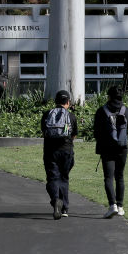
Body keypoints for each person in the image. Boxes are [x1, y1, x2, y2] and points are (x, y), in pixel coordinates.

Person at [93, 86, 128, 219]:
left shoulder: (101, 111)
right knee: (119, 176)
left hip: (106, 148)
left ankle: (112, 205)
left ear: (109, 96)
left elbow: (96, 131)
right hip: (122, 147)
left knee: (108, 177)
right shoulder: (125, 110)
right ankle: (120, 206)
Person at [41, 90, 78, 220]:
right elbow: (74, 135)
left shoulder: (47, 114)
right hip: (66, 150)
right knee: (64, 177)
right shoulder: (71, 116)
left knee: (52, 178)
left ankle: (56, 199)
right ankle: (64, 208)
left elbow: (44, 132)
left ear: (55, 101)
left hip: (50, 151)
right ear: (68, 102)